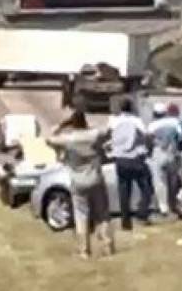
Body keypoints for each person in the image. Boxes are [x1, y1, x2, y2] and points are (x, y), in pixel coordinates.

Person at [48, 111, 114, 259]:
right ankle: (107, 246)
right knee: (102, 214)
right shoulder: (93, 135)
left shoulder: (67, 139)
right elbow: (108, 131)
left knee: (81, 216)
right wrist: (90, 127)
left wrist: (61, 125)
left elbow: (49, 139)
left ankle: (84, 250)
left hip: (78, 181)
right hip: (95, 178)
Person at [108, 98, 152, 230]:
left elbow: (109, 136)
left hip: (120, 159)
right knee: (146, 187)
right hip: (135, 158)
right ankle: (142, 213)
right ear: (131, 108)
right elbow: (146, 135)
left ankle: (125, 222)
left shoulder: (114, 121)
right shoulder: (136, 121)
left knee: (124, 191)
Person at [147, 102, 182, 218]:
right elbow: (181, 138)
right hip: (172, 153)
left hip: (158, 153)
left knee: (160, 182)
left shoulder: (152, 125)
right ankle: (173, 204)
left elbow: (148, 140)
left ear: (155, 114)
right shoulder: (174, 123)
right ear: (165, 113)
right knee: (173, 182)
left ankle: (164, 207)